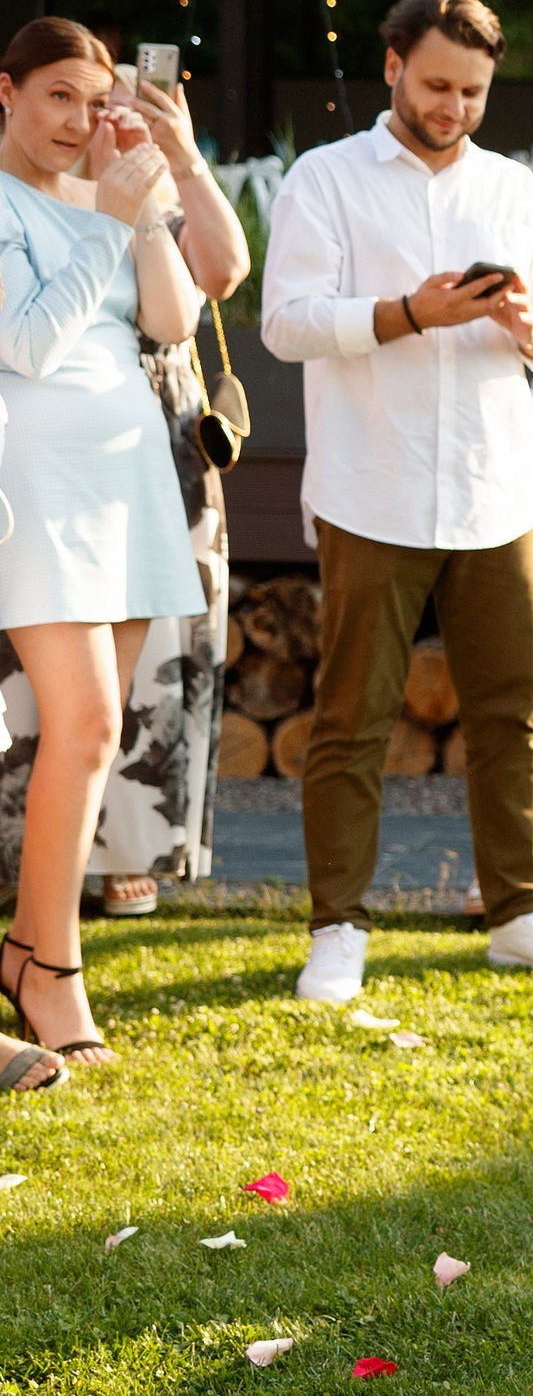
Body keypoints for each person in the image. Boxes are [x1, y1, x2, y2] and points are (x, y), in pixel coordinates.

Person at [260, 0, 533, 1003]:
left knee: (512, 716)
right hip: (373, 482)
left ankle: (521, 916)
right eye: (438, 84)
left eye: (473, 92)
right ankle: (337, 928)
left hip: (500, 488)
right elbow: (285, 323)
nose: (454, 106)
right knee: (351, 720)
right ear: (393, 67)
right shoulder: (325, 179)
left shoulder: (515, 190)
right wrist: (410, 313)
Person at [0, 17, 209, 1064]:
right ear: (7, 92)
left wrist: (146, 204)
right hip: (36, 483)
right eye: (57, 96)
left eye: (93, 102)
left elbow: (171, 324)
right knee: (79, 725)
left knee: (91, 736)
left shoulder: (104, 199)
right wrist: (104, 226)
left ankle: (30, 954)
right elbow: (29, 344)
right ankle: (53, 972)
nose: (76, 121)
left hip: (126, 482)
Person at [86, 62, 253, 916]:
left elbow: (226, 273)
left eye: (133, 100)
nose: (117, 116)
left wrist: (181, 155)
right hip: (68, 428)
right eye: (98, 102)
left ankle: (132, 842)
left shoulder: (165, 196)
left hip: (168, 432)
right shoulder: (39, 194)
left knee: (160, 642)